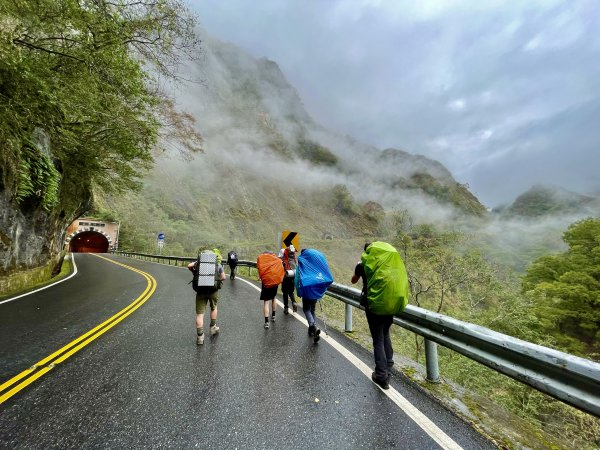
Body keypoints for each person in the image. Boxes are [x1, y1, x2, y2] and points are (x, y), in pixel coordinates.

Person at [351, 242, 394, 390]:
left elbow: (353, 280)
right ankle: (388, 365)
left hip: (373, 304)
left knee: (378, 338)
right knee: (386, 333)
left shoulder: (362, 265)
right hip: (389, 303)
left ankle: (381, 375)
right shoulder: (386, 264)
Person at [188, 250, 226, 345]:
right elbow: (223, 277)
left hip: (200, 291)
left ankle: (200, 337)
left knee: (200, 314)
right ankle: (213, 328)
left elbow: (189, 266)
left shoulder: (198, 264)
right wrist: (215, 280)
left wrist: (197, 263)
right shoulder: (217, 264)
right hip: (213, 291)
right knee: (214, 308)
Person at [257, 251, 284, 329]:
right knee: (274, 298)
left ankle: (266, 322)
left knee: (266, 302)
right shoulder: (276, 260)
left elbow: (260, 270)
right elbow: (281, 270)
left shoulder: (262, 260)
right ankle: (274, 316)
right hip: (274, 282)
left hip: (266, 283)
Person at [280, 245, 298, 314]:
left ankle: (286, 308)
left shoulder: (284, 259)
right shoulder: (294, 259)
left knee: (285, 293)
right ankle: (294, 302)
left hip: (285, 277)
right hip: (293, 276)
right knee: (291, 292)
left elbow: (281, 267)